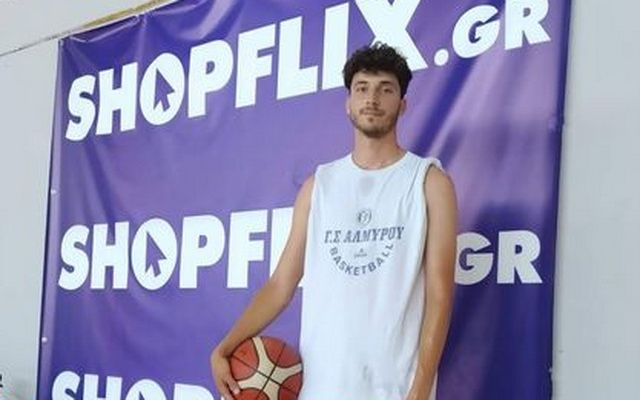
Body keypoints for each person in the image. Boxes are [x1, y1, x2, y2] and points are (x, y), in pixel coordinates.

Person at [210, 43, 457, 400]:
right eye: (362, 88)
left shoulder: (429, 182)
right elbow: (281, 284)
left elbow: (440, 294)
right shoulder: (318, 186)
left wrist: (420, 388)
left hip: (395, 388)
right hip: (321, 387)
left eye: (386, 89)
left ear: (402, 104)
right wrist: (225, 347)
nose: (372, 98)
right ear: (348, 103)